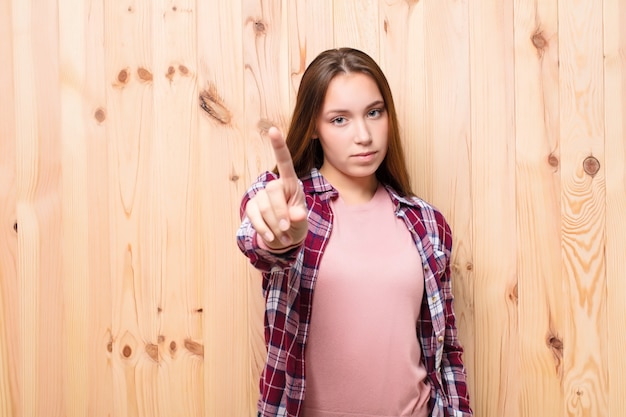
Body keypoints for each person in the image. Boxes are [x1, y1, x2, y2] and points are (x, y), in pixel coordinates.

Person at [236, 47, 472, 417]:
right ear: (314, 127)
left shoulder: (426, 222)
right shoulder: (282, 199)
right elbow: (260, 242)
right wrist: (284, 237)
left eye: (374, 113)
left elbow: (447, 353)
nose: (364, 135)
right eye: (340, 119)